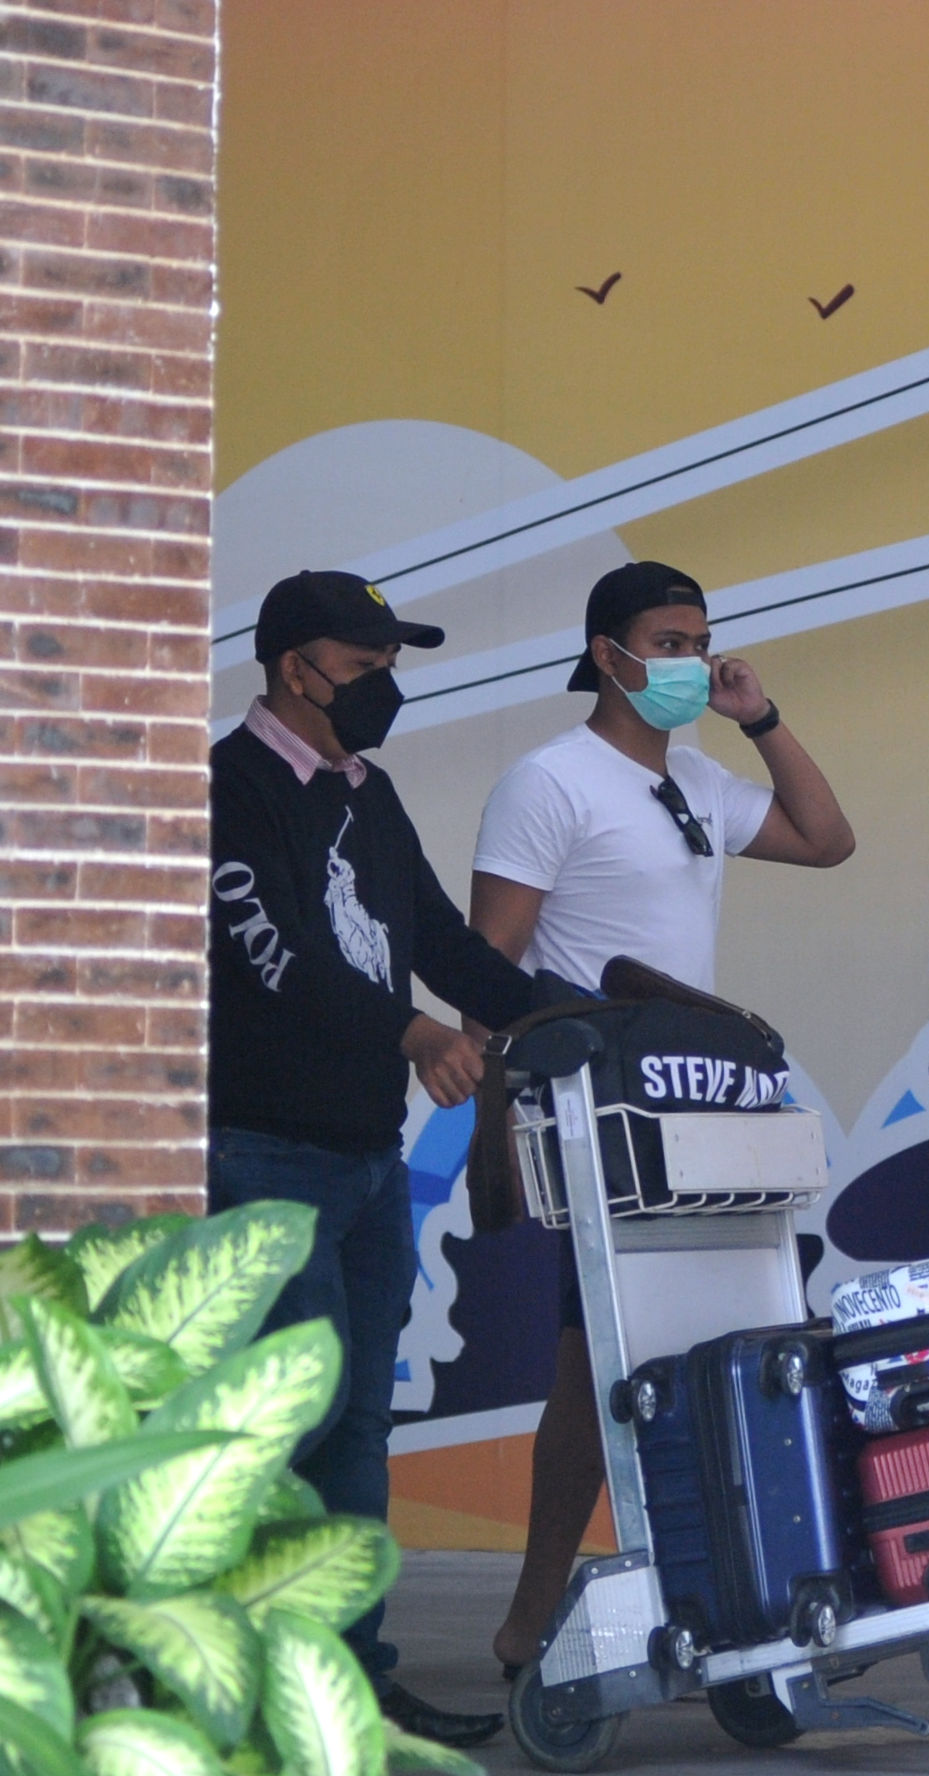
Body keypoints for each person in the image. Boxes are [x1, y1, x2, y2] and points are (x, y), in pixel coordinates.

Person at [473, 560, 858, 1676]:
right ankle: (533, 1621)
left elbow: (826, 838)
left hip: (696, 1103)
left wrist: (761, 719)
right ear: (608, 654)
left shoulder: (695, 777)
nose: (692, 660)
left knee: (691, 1349)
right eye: (669, 642)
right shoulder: (549, 780)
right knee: (596, 1360)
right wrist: (507, 1101)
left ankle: (704, 1598)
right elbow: (486, 962)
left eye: (700, 639)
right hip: (597, 1108)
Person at [208, 570, 533, 1747]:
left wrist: (557, 1013)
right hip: (261, 1153)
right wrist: (411, 1031)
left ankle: (349, 1674)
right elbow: (274, 956)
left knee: (353, 1425)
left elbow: (438, 934)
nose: (383, 687)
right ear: (295, 667)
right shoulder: (226, 787)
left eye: (390, 665)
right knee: (290, 1425)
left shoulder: (368, 790)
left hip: (364, 1158)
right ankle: (254, 1679)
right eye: (363, 667)